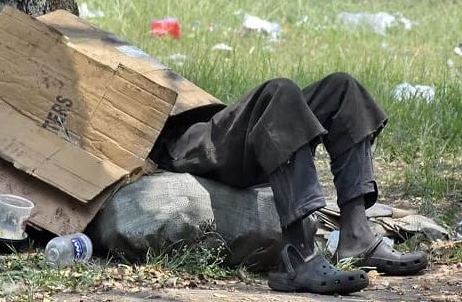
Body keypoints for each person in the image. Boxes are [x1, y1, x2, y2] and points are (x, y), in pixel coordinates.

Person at [150, 73, 428, 295]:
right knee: (279, 92)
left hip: (212, 119)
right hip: (179, 140)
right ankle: (297, 257)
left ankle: (357, 236)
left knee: (343, 89)